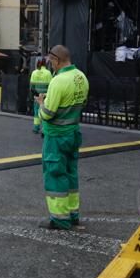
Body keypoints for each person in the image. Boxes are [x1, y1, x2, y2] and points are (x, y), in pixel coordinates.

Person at [36, 45, 90, 230]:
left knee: (55, 174)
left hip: (56, 137)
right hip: (73, 134)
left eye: (51, 61)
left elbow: (48, 114)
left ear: (57, 60)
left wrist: (41, 104)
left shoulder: (58, 81)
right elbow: (82, 103)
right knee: (70, 173)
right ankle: (73, 214)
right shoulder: (81, 77)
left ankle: (60, 219)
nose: (50, 64)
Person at [29, 58, 53, 134]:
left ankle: (36, 128)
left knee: (36, 112)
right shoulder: (48, 73)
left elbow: (32, 87)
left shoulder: (34, 73)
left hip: (36, 96)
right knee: (44, 112)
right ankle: (44, 129)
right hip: (45, 96)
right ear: (45, 64)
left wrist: (34, 95)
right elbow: (51, 86)